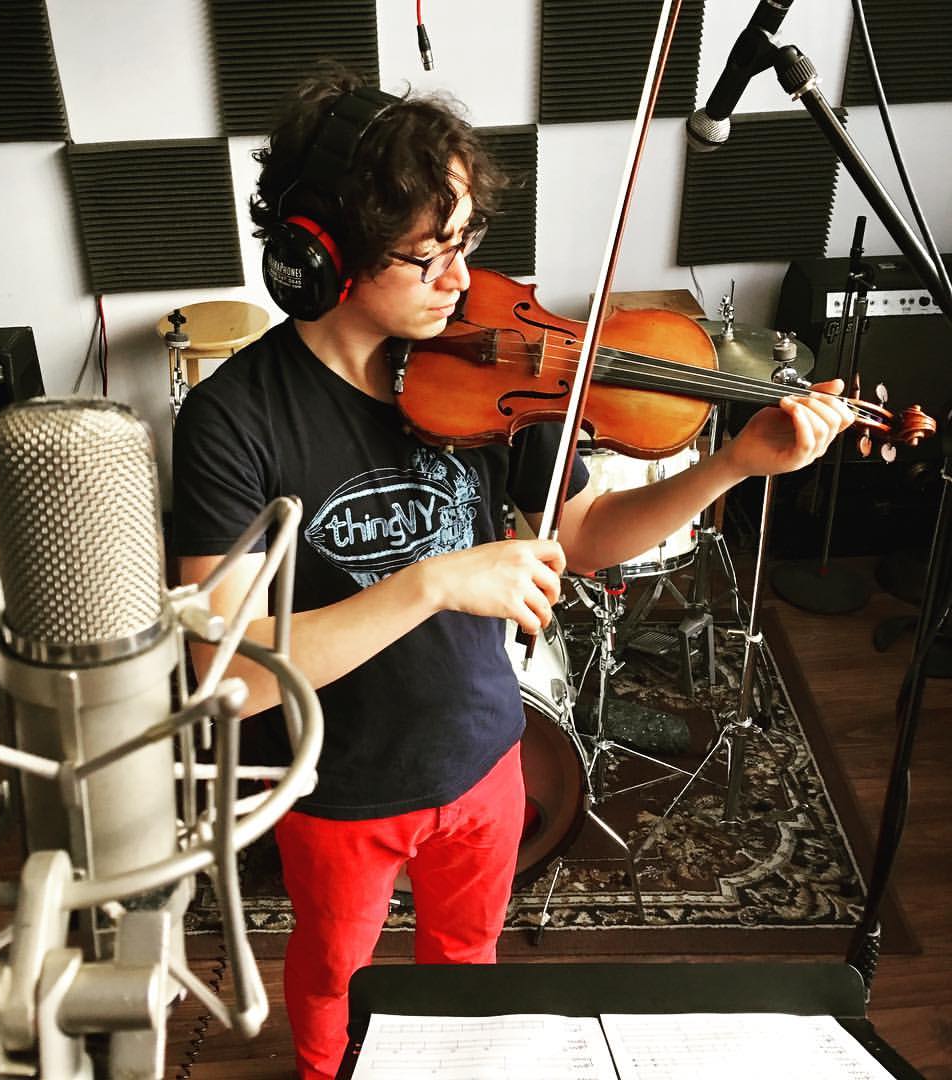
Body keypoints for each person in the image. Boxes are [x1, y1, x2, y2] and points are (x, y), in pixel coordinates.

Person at [172, 69, 853, 1080]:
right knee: (333, 978)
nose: (459, 280)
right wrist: (435, 582)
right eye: (427, 253)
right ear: (325, 258)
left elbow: (586, 534)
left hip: (487, 754)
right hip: (337, 785)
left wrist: (732, 463)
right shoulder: (236, 419)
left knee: (469, 975)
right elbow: (231, 672)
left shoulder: (497, 370)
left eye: (466, 245)